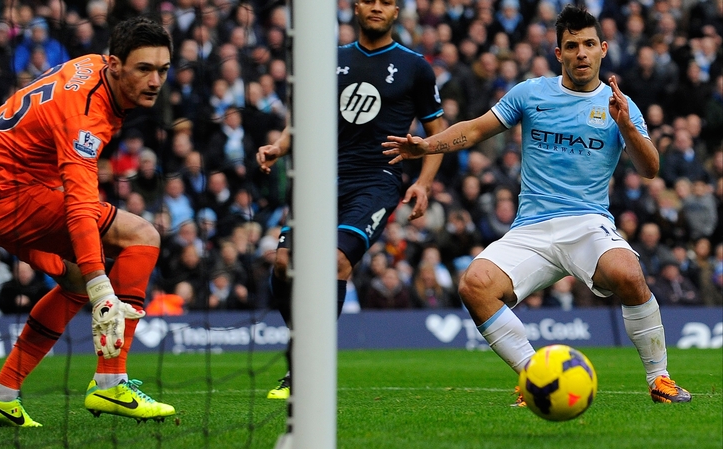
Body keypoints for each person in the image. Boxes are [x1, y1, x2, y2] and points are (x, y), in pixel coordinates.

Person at [382, 5, 691, 404]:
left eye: (589, 44)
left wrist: (626, 126)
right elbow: (475, 129)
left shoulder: (621, 105)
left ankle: (659, 378)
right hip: (531, 228)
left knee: (629, 273)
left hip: (588, 223)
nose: (581, 53)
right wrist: (428, 144)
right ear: (558, 52)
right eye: (571, 45)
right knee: (474, 286)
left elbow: (650, 169)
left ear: (603, 49)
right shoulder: (531, 92)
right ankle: (535, 376)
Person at [0, 17, 176, 427]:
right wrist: (103, 286)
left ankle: (1, 395)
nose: (156, 81)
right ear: (116, 64)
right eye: (144, 69)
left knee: (74, 281)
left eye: (163, 70)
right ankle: (111, 383)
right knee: (142, 236)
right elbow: (81, 205)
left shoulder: (91, 66)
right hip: (5, 196)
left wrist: (90, 279)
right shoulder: (86, 113)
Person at [256, 0, 445, 399]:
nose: (377, 7)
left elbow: (437, 133)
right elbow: (302, 117)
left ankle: (307, 368)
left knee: (336, 259)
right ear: (355, 8)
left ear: (397, 12)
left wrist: (424, 183)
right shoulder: (329, 61)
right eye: (369, 0)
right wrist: (280, 146)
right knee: (284, 262)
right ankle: (304, 347)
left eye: (386, 2)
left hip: (377, 179)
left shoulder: (415, 67)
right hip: (321, 177)